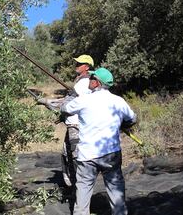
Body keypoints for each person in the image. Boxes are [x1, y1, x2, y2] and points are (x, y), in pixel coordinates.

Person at [61, 67, 136, 215]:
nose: (89, 80)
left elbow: (64, 109)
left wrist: (70, 95)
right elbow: (132, 119)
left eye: (91, 78)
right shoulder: (118, 101)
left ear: (97, 83)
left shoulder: (84, 100)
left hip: (87, 156)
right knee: (116, 193)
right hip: (111, 154)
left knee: (82, 193)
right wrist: (123, 124)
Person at [37, 55, 94, 187]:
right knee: (66, 155)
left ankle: (78, 188)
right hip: (73, 124)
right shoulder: (82, 81)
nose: (77, 65)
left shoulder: (84, 83)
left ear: (87, 67)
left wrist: (47, 102)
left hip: (77, 126)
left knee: (74, 157)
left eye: (80, 63)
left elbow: (68, 103)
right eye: (77, 63)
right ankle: (74, 186)